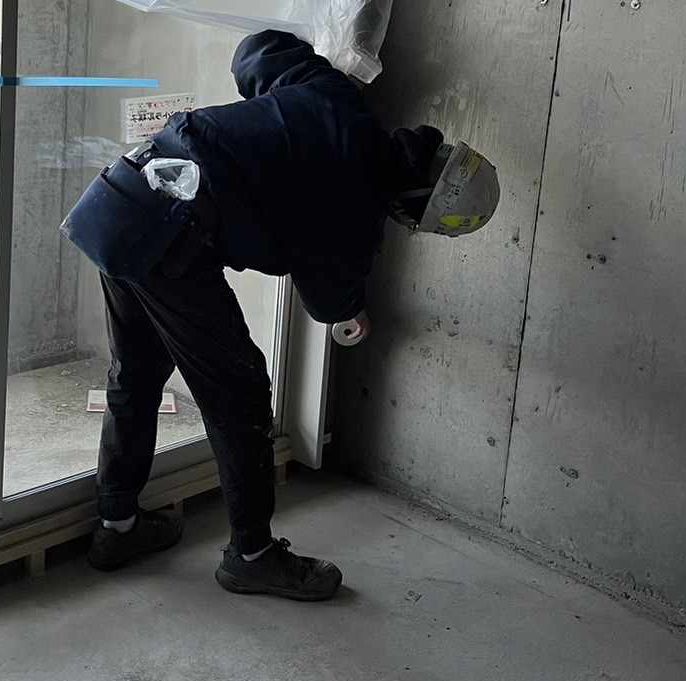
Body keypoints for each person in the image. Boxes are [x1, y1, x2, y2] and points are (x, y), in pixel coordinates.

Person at [63, 29, 499, 601]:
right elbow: (329, 302)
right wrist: (353, 311)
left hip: (119, 201)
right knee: (240, 395)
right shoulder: (357, 219)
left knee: (137, 372)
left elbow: (255, 53)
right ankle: (252, 554)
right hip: (169, 240)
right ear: (416, 204)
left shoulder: (338, 97)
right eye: (420, 223)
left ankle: (118, 527)